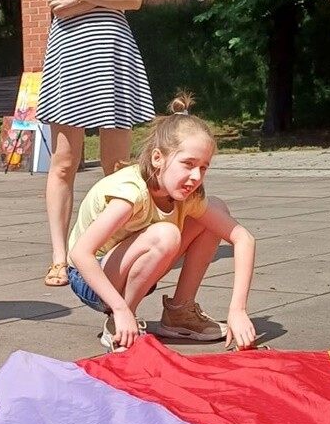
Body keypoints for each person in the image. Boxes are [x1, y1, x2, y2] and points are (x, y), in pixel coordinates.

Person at [34, 0, 154, 289]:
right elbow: (56, 2)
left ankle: (112, 245)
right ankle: (59, 255)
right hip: (71, 56)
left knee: (117, 163)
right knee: (65, 162)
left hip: (116, 53)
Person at [66, 95, 257, 352]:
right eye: (188, 164)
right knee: (166, 234)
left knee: (215, 209)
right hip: (90, 279)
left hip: (128, 267)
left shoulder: (187, 194)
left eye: (203, 168)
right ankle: (120, 321)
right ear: (158, 158)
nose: (195, 177)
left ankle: (180, 311)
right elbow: (80, 253)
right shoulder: (130, 193)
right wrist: (121, 309)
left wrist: (238, 310)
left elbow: (243, 238)